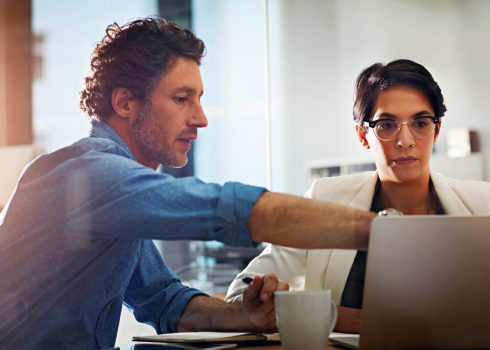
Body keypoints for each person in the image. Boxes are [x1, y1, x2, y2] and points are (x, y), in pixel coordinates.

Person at [0, 17, 375, 349]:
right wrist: (386, 232)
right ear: (125, 102)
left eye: (199, 98)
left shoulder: (117, 195)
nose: (201, 118)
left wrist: (247, 315)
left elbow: (166, 302)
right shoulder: (89, 176)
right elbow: (225, 208)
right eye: (182, 99)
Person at [226, 59, 490, 333]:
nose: (406, 140)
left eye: (420, 123)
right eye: (387, 125)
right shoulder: (326, 199)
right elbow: (240, 292)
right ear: (363, 135)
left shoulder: (482, 204)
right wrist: (332, 315)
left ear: (436, 130)